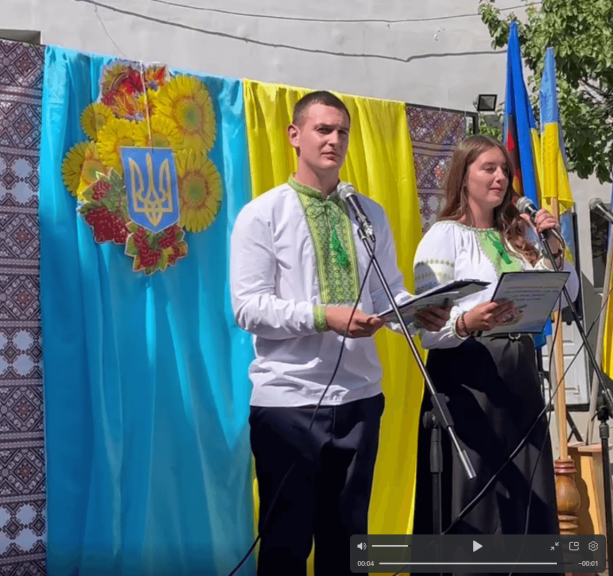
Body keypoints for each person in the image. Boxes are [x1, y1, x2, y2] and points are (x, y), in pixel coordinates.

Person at [229, 90, 450, 576]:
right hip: (288, 403)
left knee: (349, 545)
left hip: (360, 398)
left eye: (342, 132)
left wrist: (418, 314)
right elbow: (248, 308)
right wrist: (323, 316)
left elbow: (388, 290)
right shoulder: (262, 215)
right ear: (294, 135)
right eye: (323, 129)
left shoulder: (368, 213)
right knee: (286, 546)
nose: (334, 140)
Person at [411, 135, 579, 574]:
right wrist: (468, 321)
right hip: (469, 379)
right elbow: (426, 328)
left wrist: (553, 247)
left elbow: (567, 294)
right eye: (488, 168)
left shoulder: (517, 239)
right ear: (463, 176)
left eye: (503, 169)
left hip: (518, 378)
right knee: (480, 497)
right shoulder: (443, 237)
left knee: (526, 494)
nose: (500, 177)